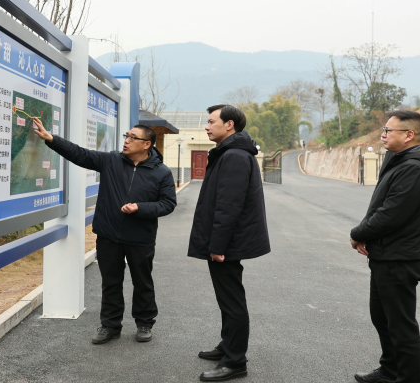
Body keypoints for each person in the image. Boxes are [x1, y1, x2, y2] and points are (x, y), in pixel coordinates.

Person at [32, 118, 177, 344]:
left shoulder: (162, 172)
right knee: (110, 283)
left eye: (133, 137)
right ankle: (110, 326)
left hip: (141, 237)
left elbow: (168, 204)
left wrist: (140, 208)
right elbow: (80, 154)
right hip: (109, 235)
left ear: (147, 144)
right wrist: (51, 139)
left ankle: (145, 323)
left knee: (143, 282)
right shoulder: (111, 161)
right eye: (126, 136)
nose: (126, 140)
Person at [349, 110, 420, 383]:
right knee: (382, 318)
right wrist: (366, 232)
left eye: (388, 131)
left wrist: (357, 233)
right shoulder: (399, 160)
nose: (383, 135)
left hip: (399, 258)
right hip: (385, 254)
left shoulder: (415, 169)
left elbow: (391, 214)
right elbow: (379, 205)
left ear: (409, 135)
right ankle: (390, 370)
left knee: (401, 326)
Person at [188, 105, 270, 382]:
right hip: (228, 241)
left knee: (232, 301)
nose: (207, 126)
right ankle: (228, 345)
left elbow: (228, 206)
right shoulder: (230, 152)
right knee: (227, 299)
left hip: (228, 244)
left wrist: (218, 246)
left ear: (229, 124)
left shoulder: (234, 156)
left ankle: (235, 361)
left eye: (212, 121)